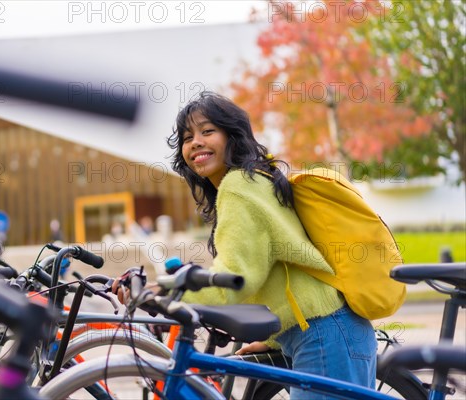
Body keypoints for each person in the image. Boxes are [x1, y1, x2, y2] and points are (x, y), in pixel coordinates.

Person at [114, 91, 376, 399]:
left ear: (233, 137)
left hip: (325, 337)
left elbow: (234, 280)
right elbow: (276, 268)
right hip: (326, 333)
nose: (196, 142)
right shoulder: (254, 180)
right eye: (187, 137)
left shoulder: (239, 187)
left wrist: (165, 292)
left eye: (208, 131)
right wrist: (277, 339)